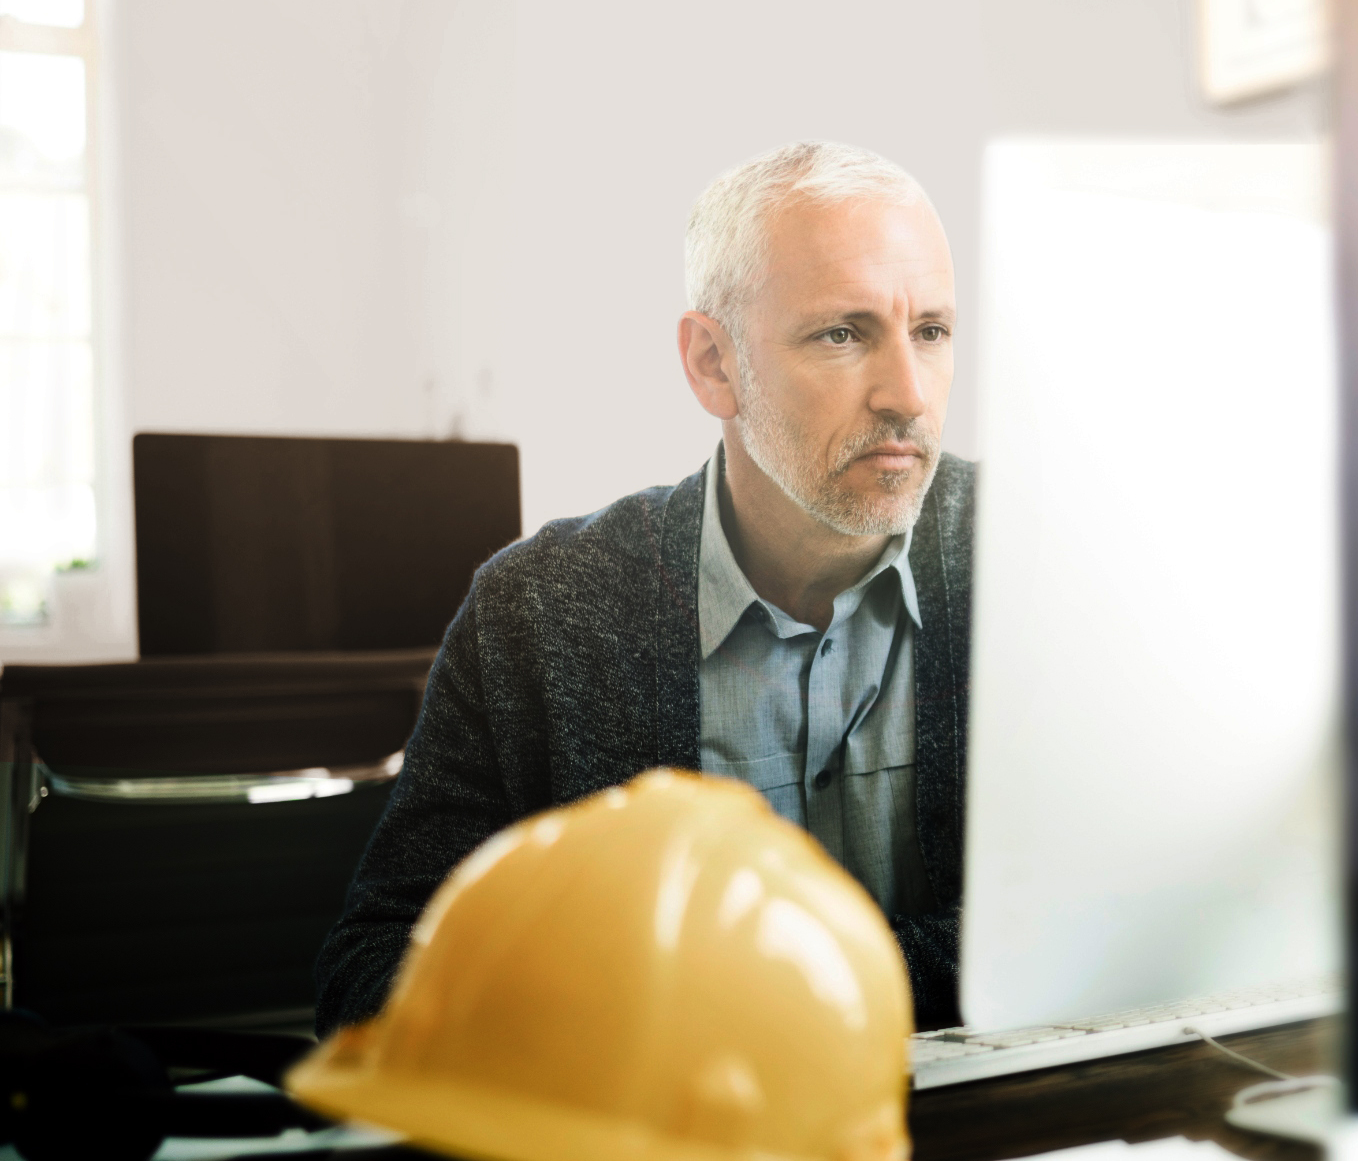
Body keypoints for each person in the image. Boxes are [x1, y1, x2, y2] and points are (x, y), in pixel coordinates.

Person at [314, 141, 973, 1036]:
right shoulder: (539, 611)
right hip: (655, 1159)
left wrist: (743, 1004)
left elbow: (1110, 909)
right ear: (712, 363)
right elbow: (376, 966)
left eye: (930, 331)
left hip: (1010, 1144)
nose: (907, 394)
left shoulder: (1041, 566)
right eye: (842, 333)